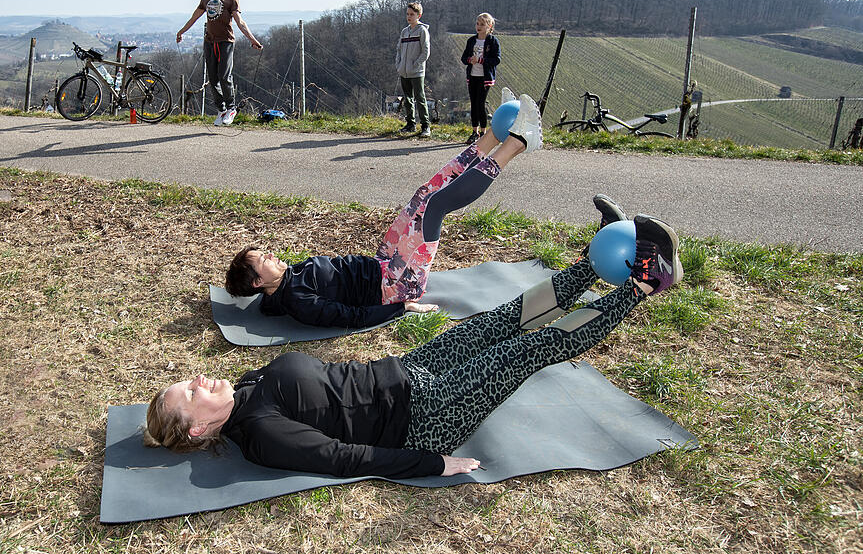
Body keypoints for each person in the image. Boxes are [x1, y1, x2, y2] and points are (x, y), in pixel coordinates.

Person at [144, 198, 684, 478]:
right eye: (189, 396)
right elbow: (342, 457)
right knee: (526, 349)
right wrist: (431, 463)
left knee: (502, 319)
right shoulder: (258, 434)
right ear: (196, 433)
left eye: (184, 382)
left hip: (408, 370)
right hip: (422, 415)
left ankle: (595, 264)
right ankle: (643, 285)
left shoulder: (247, 384)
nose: (195, 380)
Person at [224, 89, 543, 329]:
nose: (270, 254)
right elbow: (350, 316)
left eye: (263, 252)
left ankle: (490, 137)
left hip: (382, 261)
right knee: (435, 207)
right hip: (395, 283)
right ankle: (516, 143)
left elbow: (268, 303)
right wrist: (402, 308)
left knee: (424, 194)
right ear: (256, 282)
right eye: (263, 259)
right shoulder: (298, 301)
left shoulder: (282, 283)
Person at [176, 0, 263, 127]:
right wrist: (181, 31)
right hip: (209, 41)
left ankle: (231, 108)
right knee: (213, 78)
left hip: (226, 42)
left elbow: (240, 22)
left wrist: (252, 39)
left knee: (224, 75)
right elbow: (194, 17)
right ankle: (221, 109)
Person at [461, 13, 501, 145]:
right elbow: (464, 58)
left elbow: (496, 59)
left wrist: (481, 60)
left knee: (480, 104)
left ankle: (483, 132)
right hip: (472, 76)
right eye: (477, 24)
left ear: (489, 26)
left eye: (482, 24)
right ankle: (474, 132)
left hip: (485, 78)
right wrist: (470, 60)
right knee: (473, 104)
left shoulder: (493, 41)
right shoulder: (471, 41)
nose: (479, 27)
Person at [395, 2, 431, 138]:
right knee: (408, 98)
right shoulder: (405, 32)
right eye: (407, 14)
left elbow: (426, 51)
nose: (409, 17)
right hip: (404, 71)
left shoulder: (422, 31)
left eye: (412, 14)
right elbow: (398, 49)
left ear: (418, 15)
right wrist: (398, 65)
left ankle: (425, 126)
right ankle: (410, 124)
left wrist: (416, 64)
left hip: (416, 72)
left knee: (420, 98)